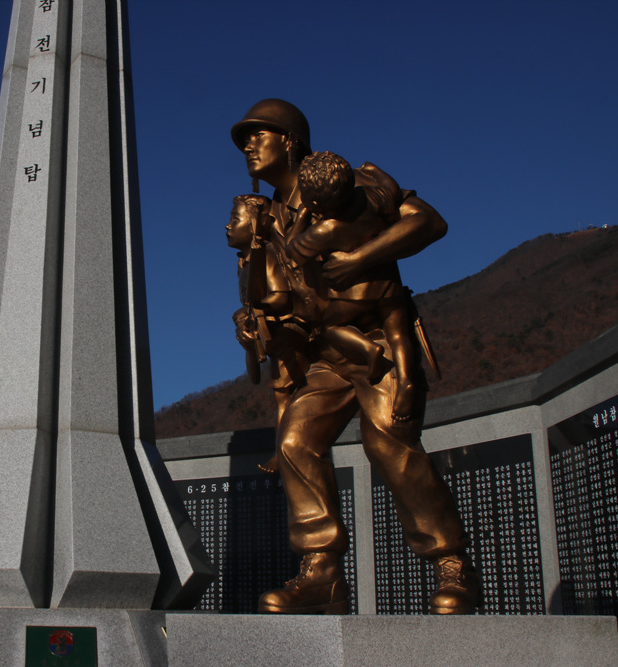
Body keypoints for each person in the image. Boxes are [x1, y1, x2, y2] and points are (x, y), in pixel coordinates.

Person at [230, 99, 479, 615]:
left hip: (380, 343)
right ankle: (321, 572)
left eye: (260, 134)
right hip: (324, 354)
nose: (249, 145)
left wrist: (362, 257)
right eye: (245, 139)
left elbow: (429, 222)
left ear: (290, 141)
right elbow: (282, 305)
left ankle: (450, 563)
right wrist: (257, 324)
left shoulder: (348, 185)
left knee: (388, 443)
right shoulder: (266, 220)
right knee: (297, 441)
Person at [287, 150, 419, 425]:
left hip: (355, 295)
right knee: (398, 335)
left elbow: (294, 251)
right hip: (389, 285)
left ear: (314, 202)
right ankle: (406, 379)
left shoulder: (326, 230)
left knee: (331, 327)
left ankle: (368, 349)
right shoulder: (371, 198)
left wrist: (301, 217)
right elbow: (392, 192)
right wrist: (375, 171)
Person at [227, 193, 310, 472]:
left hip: (286, 336)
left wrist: (253, 310)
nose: (228, 225)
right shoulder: (244, 263)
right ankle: (284, 448)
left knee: (285, 395)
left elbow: (281, 296)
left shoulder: (267, 257)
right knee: (280, 396)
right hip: (269, 339)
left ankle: (286, 450)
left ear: (254, 225)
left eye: (235, 219)